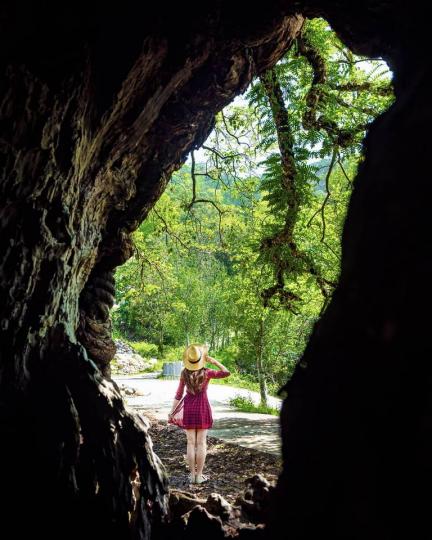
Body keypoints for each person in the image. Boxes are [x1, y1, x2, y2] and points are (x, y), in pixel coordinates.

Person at [168, 343, 230, 484]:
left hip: (189, 409)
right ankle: (199, 476)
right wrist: (214, 361)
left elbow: (178, 394)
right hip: (202, 408)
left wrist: (172, 412)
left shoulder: (184, 373)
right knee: (201, 443)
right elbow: (226, 372)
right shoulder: (207, 372)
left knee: (190, 443)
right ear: (202, 359)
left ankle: (191, 475)